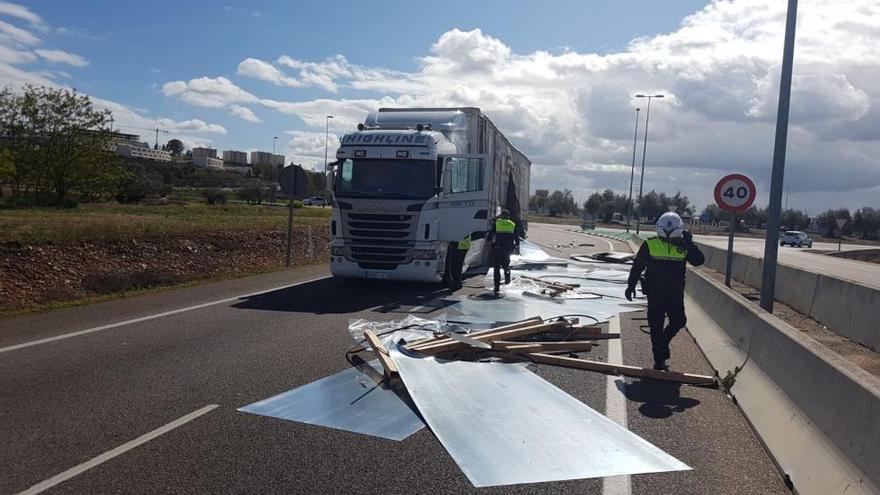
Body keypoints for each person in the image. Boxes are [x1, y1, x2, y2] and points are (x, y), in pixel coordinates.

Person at [625, 212, 705, 370]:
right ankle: (659, 359)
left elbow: (698, 261)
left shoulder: (683, 246)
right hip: (655, 293)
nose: (668, 237)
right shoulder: (650, 244)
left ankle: (663, 343)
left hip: (674, 294)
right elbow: (638, 266)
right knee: (655, 325)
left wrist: (690, 244)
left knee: (679, 321)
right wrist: (631, 285)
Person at [486, 210, 521, 295]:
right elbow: (517, 239)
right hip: (507, 250)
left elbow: (489, 237)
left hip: (497, 249)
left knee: (496, 268)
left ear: (501, 216)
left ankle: (496, 286)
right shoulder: (512, 224)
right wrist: (516, 247)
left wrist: (491, 243)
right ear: (508, 216)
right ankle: (507, 281)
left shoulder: (497, 224)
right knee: (506, 266)